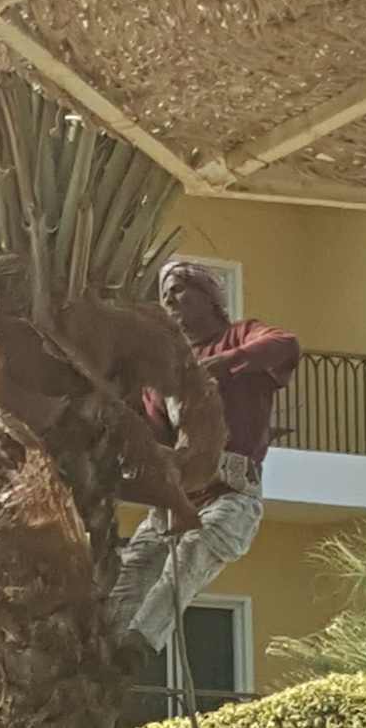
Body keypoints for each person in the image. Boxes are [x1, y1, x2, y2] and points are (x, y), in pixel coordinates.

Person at [111, 261, 299, 673]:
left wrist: (222, 364)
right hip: (175, 496)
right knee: (135, 566)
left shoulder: (240, 335)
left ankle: (141, 641)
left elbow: (284, 344)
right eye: (165, 294)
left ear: (210, 297)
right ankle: (106, 651)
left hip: (232, 493)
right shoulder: (161, 372)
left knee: (194, 552)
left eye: (179, 289)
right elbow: (151, 432)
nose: (169, 299)